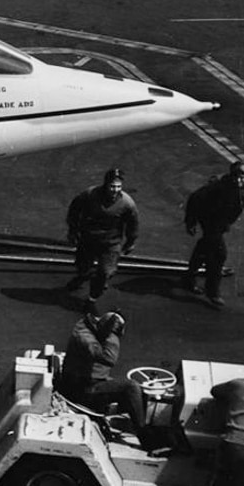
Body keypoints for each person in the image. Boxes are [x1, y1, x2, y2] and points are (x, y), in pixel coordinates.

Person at [53, 306, 149, 444]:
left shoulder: (91, 327)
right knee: (131, 387)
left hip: (82, 383)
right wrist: (112, 334)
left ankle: (134, 422)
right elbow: (109, 358)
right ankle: (145, 437)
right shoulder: (84, 336)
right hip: (81, 390)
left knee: (136, 392)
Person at [184, 161, 244, 309]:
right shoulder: (219, 187)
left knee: (203, 248)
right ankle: (212, 291)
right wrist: (191, 222)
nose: (240, 180)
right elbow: (196, 197)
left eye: (243, 176)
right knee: (219, 255)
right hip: (210, 220)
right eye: (236, 176)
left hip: (221, 222)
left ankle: (189, 278)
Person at [66, 167, 139, 301]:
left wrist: (131, 241)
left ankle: (93, 298)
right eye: (112, 186)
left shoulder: (127, 203)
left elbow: (133, 223)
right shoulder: (89, 194)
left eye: (118, 187)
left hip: (110, 243)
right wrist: (72, 230)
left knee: (106, 272)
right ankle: (83, 276)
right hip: (89, 239)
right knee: (83, 266)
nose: (115, 190)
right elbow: (74, 210)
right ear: (106, 184)